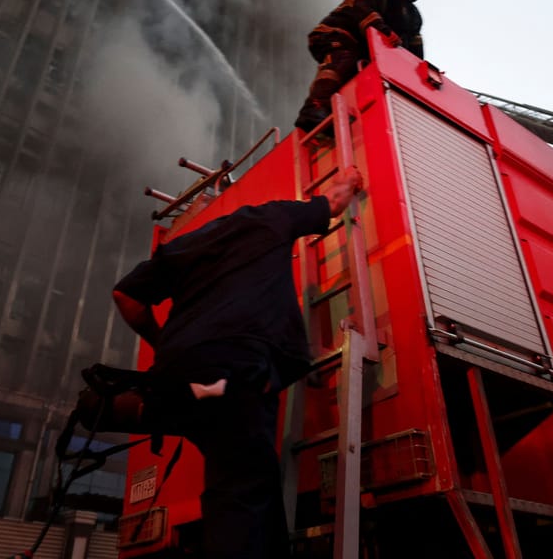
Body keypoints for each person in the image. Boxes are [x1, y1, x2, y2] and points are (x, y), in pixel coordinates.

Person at [108, 167, 365, 559]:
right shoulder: (271, 218)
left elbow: (126, 297)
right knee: (241, 488)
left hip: (179, 384)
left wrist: (162, 346)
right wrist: (349, 176)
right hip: (232, 375)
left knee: (241, 476)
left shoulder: (185, 245)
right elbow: (332, 202)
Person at [295, 0, 431, 132]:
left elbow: (416, 61)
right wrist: (385, 31)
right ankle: (314, 108)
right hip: (334, 34)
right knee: (344, 59)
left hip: (362, 52)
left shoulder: (414, 18)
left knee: (362, 82)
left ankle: (337, 120)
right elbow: (363, 6)